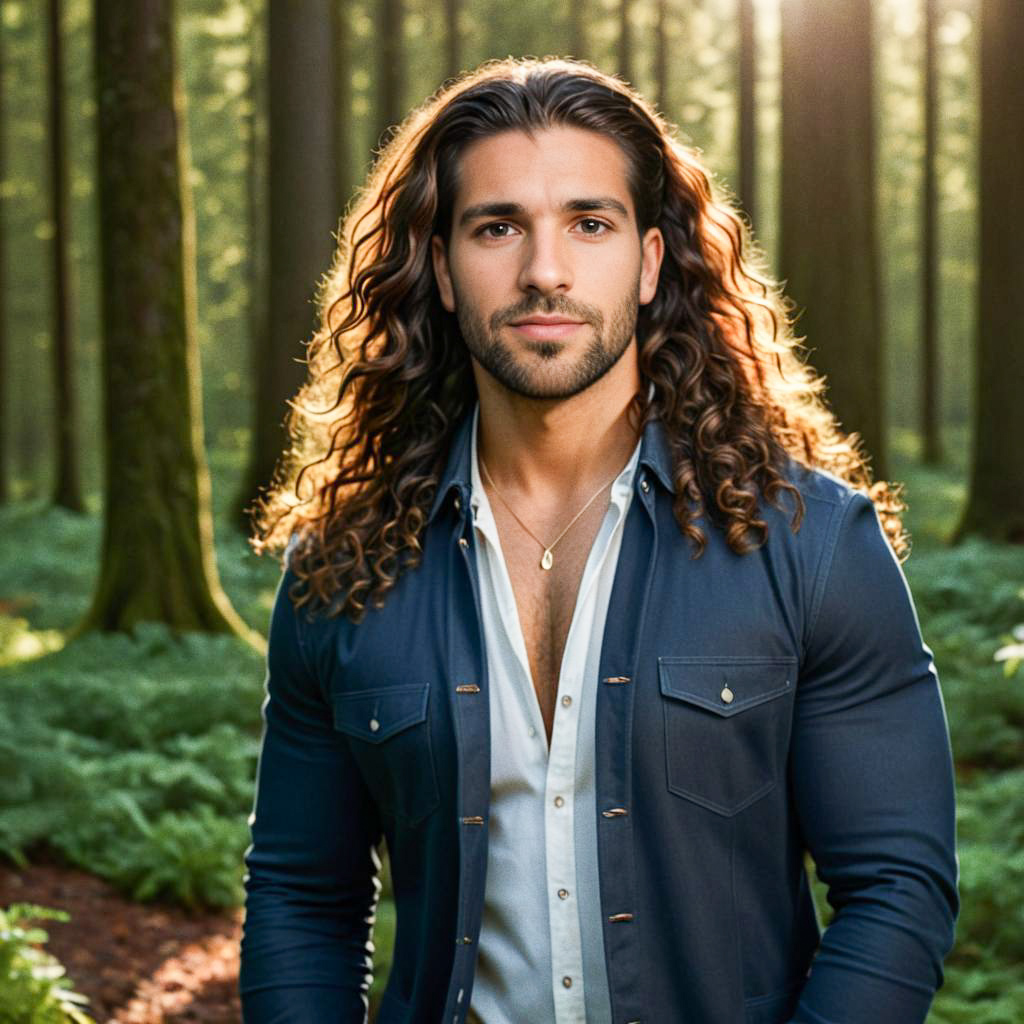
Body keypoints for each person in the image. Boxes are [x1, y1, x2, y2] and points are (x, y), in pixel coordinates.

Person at [238, 56, 959, 1024]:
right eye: (498, 227)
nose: (545, 270)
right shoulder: (343, 566)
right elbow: (300, 891)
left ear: (651, 261)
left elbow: (895, 888)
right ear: (441, 268)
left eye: (590, 223)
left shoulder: (810, 542)